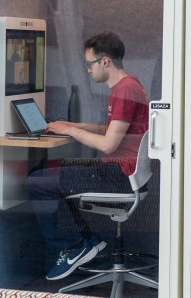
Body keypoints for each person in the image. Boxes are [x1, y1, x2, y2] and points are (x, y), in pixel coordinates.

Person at [27, 31, 150, 281]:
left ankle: (74, 246)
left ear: (105, 61)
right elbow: (115, 132)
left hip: (117, 175)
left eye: (89, 64)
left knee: (37, 182)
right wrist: (77, 125)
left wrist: (70, 130)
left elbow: (107, 144)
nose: (88, 70)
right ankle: (88, 240)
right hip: (123, 172)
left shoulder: (124, 91)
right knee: (48, 174)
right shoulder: (130, 86)